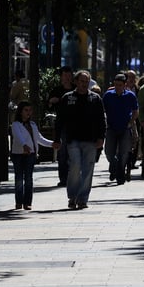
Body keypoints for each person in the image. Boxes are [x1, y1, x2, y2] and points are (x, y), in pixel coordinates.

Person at [55, 70, 106, 210]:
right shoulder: (67, 98)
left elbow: (101, 120)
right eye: (82, 81)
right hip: (73, 140)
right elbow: (59, 119)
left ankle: (83, 199)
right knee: (75, 166)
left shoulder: (95, 99)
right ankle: (72, 197)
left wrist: (101, 137)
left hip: (90, 139)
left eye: (86, 82)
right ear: (76, 82)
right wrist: (57, 138)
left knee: (88, 169)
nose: (84, 84)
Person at [10, 101, 59, 210]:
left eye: (30, 110)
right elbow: (18, 137)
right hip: (18, 154)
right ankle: (18, 201)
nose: (28, 113)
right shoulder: (16, 125)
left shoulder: (32, 125)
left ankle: (27, 202)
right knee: (18, 178)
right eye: (26, 110)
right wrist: (24, 145)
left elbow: (39, 139)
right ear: (20, 112)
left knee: (28, 178)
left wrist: (52, 144)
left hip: (30, 154)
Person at [103, 74, 139, 185]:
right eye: (116, 84)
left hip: (125, 128)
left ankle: (120, 174)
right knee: (109, 152)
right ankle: (115, 166)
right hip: (111, 128)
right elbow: (102, 110)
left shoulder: (130, 96)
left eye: (120, 85)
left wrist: (131, 122)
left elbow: (136, 111)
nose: (117, 87)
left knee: (124, 153)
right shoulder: (108, 95)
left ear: (124, 85)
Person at [48, 66, 75, 187]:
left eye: (69, 75)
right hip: (62, 125)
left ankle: (72, 176)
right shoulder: (56, 90)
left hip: (75, 125)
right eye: (65, 75)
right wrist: (51, 101)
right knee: (63, 153)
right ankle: (63, 178)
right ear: (61, 77)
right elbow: (48, 104)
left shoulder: (76, 90)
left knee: (73, 153)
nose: (67, 78)